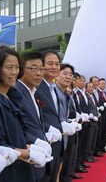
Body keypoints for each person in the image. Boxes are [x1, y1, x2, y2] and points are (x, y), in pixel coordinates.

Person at [0, 46, 48, 181]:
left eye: (17, 67)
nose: (14, 72)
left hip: (21, 168)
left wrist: (32, 147)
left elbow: (15, 138)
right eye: (9, 67)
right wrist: (29, 152)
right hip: (7, 173)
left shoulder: (11, 97)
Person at [14, 51, 52, 181]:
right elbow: (16, 127)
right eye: (34, 68)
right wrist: (35, 141)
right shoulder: (16, 92)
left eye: (41, 69)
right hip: (26, 159)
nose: (39, 73)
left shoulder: (32, 92)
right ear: (21, 69)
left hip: (38, 159)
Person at [35, 50, 64, 182]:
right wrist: (47, 128)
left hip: (57, 143)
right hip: (44, 143)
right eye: (50, 63)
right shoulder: (37, 87)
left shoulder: (53, 87)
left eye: (57, 64)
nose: (54, 67)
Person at [55, 64, 81, 182]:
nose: (68, 77)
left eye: (70, 75)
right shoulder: (54, 92)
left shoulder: (66, 95)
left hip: (63, 138)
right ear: (57, 75)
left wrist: (70, 122)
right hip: (54, 138)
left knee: (59, 167)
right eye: (65, 73)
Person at [84, 82, 99, 162]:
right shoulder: (86, 96)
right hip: (90, 121)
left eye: (92, 87)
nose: (91, 88)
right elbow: (87, 108)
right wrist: (92, 115)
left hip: (95, 120)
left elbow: (94, 107)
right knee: (89, 140)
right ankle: (87, 156)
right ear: (86, 88)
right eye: (89, 87)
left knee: (93, 139)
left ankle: (91, 154)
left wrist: (97, 113)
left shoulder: (92, 95)